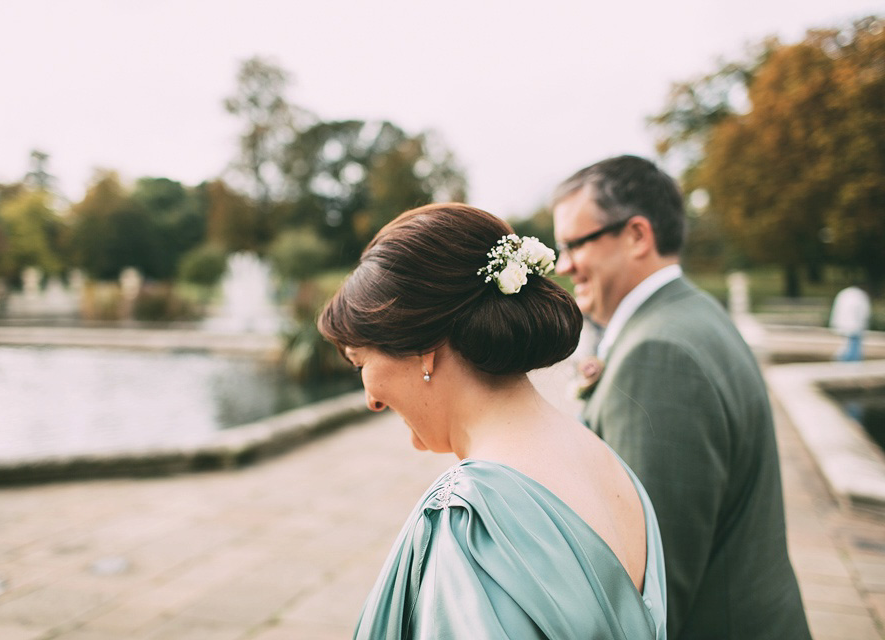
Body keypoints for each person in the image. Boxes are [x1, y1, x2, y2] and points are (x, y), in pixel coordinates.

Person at [319, 203, 667, 639]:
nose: (370, 399)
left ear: (423, 346)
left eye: (360, 363)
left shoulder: (471, 518)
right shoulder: (614, 469)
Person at [551, 155, 810, 639]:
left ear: (636, 236)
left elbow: (650, 590)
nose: (564, 264)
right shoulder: (693, 313)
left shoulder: (658, 355)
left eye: (574, 244)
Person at [830, 285, 872, 361]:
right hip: (855, 326)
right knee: (853, 347)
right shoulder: (860, 296)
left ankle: (842, 360)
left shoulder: (845, 293)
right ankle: (849, 363)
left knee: (847, 345)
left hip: (843, 325)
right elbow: (864, 313)